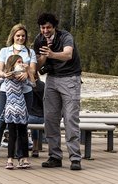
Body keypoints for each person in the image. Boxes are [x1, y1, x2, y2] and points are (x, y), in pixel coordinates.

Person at [34, 12, 83, 171]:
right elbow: (38, 65)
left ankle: (75, 158)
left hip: (70, 79)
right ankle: (54, 156)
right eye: (43, 27)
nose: (45, 30)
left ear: (54, 27)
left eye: (48, 27)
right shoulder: (39, 40)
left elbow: (68, 54)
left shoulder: (66, 37)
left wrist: (52, 53)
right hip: (52, 79)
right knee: (50, 119)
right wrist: (44, 55)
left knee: (70, 119)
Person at [0, 23, 36, 167]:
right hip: (6, 92)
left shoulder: (30, 53)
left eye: (23, 36)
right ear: (13, 36)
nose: (20, 38)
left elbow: (33, 71)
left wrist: (26, 74)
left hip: (25, 92)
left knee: (22, 125)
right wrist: (4, 74)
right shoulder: (4, 51)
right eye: (18, 35)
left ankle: (22, 157)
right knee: (0, 123)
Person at [3, 55, 31, 169]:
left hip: (20, 107)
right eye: (19, 62)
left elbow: (32, 84)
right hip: (11, 107)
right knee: (13, 134)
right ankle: (10, 159)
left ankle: (23, 158)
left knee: (23, 133)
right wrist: (4, 74)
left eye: (22, 62)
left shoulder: (21, 77)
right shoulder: (8, 76)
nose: (21, 63)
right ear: (13, 63)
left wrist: (27, 71)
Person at [27, 78, 45, 157]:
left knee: (20, 121)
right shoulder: (43, 85)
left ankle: (27, 145)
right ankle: (35, 146)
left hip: (32, 116)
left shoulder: (27, 85)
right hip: (44, 116)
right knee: (34, 123)